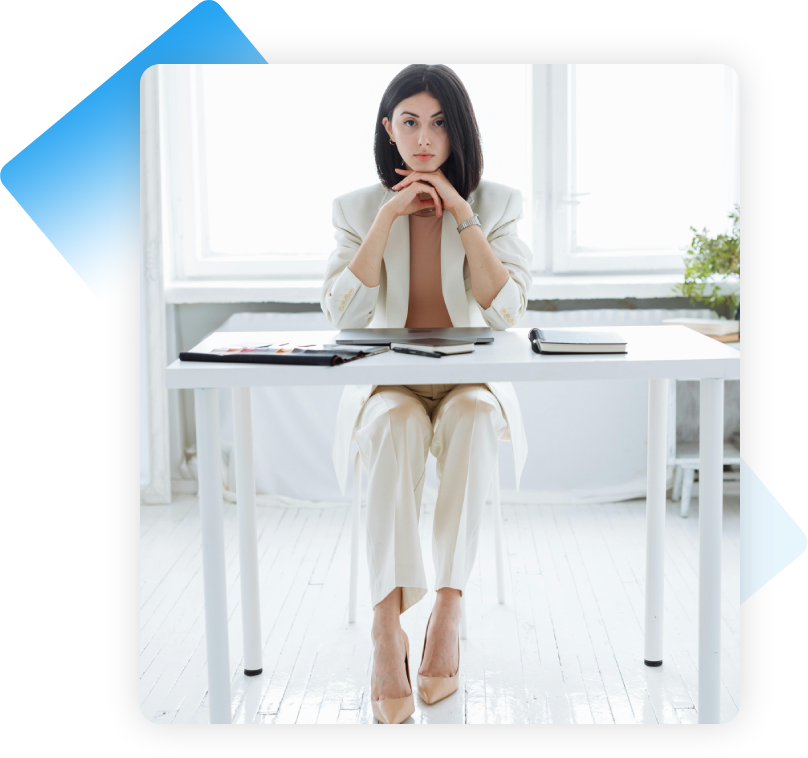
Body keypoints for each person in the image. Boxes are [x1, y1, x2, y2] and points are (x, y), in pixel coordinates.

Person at [320, 64, 533, 723]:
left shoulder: (496, 203)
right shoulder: (355, 208)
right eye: (409, 121)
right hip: (389, 381)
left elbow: (508, 312)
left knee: (472, 415)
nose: (423, 137)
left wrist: (464, 214)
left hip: (466, 378)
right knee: (392, 425)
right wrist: (387, 216)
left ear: (459, 129)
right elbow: (341, 314)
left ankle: (447, 606)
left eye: (439, 122)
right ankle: (387, 629)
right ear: (388, 129)